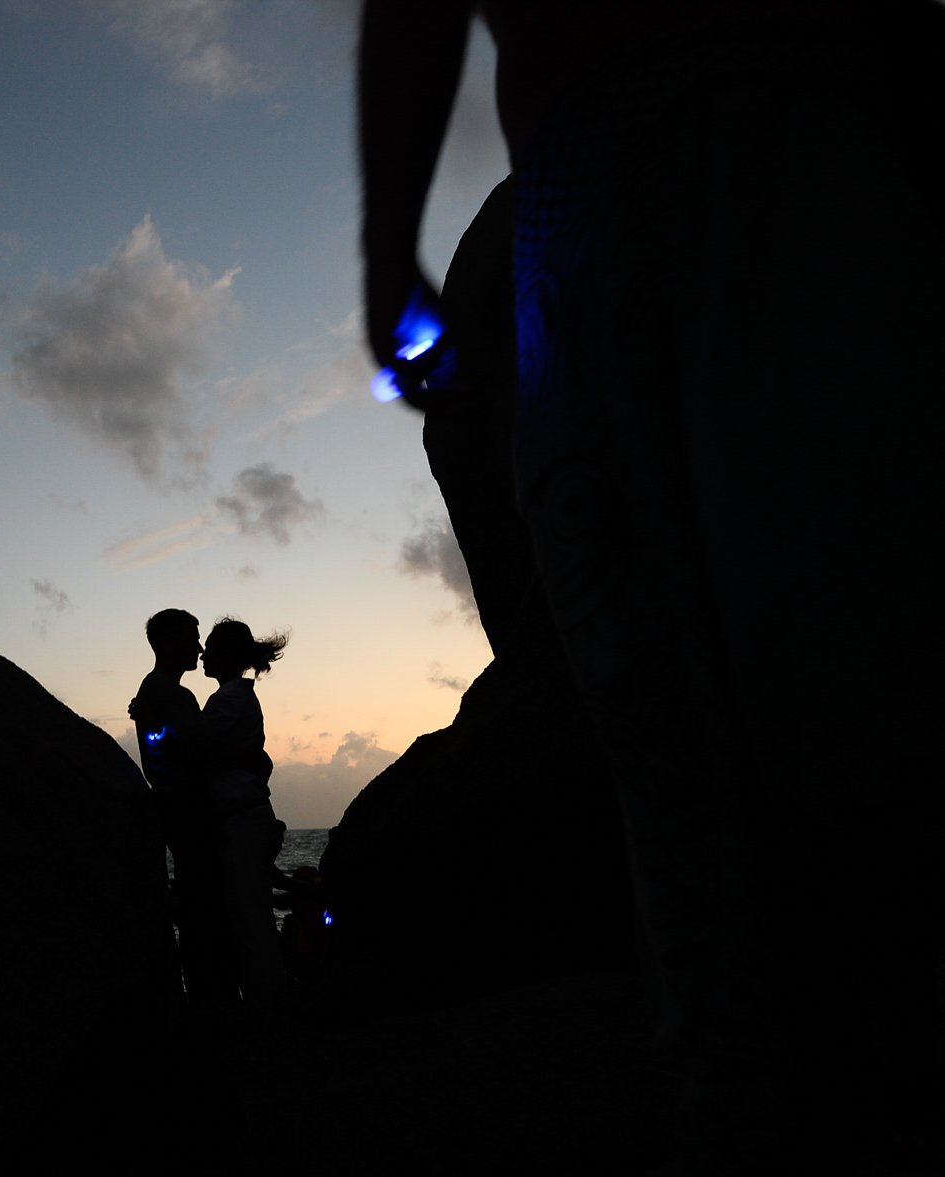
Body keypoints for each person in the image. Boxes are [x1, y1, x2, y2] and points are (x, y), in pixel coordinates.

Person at [358, 2, 945, 1170]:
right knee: (777, 701)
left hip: (691, 144)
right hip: (710, 144)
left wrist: (387, 250)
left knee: (711, 735)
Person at [130, 609, 236, 1004]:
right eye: (192, 639)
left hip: (178, 807)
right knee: (205, 907)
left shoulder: (154, 691)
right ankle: (214, 998)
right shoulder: (171, 695)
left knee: (197, 905)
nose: (199, 648)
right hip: (189, 810)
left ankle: (208, 994)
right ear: (169, 643)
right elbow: (198, 750)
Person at [197, 618, 289, 1016]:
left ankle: (267, 1012)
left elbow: (199, 747)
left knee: (250, 925)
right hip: (248, 818)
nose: (203, 655)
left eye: (211, 648)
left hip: (243, 820)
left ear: (227, 655)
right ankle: (271, 1005)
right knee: (255, 921)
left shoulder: (230, 699)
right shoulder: (234, 697)